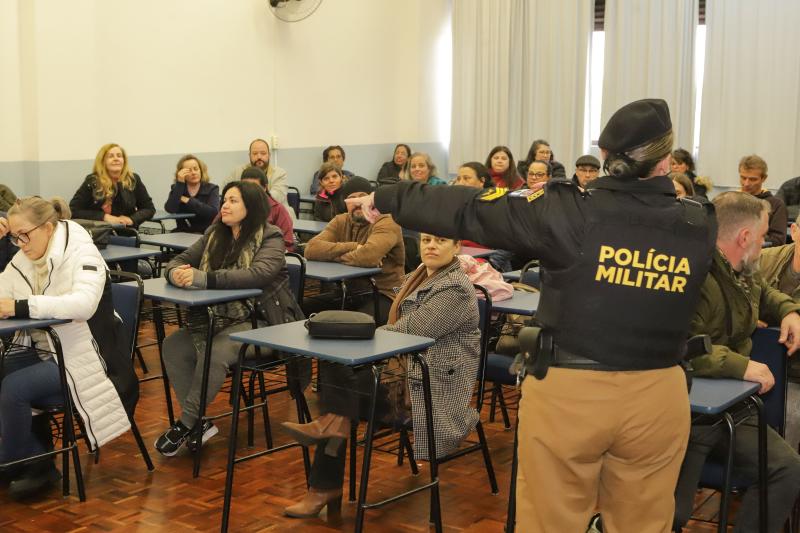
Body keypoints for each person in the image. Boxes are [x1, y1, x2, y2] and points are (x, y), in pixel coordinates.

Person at [348, 98, 718, 532]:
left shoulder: (568, 212)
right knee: (642, 523)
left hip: (572, 393)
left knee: (551, 520)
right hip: (660, 394)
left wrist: (388, 195)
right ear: (667, 161)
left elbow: (468, 209)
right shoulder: (699, 222)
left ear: (606, 158)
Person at [281, 232, 480, 520]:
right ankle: (327, 452)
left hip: (429, 391)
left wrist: (362, 335)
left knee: (340, 401)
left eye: (440, 241)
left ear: (457, 246)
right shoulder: (419, 275)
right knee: (335, 370)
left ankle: (323, 488)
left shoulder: (455, 289)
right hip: (402, 376)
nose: (431, 246)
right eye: (426, 240)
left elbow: (405, 333)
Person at [673, 191, 800, 532]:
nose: (764, 243)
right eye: (761, 237)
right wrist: (741, 366)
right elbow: (683, 347)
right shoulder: (691, 276)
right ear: (744, 238)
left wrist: (789, 311)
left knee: (786, 468)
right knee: (673, 513)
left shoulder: (743, 270)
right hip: (688, 411)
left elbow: (765, 292)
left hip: (733, 406)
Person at [154, 181, 305, 456]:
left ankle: (187, 423)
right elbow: (180, 260)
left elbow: (257, 275)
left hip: (267, 323)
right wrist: (174, 273)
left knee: (216, 350)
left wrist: (204, 278)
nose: (225, 205)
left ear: (252, 206)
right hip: (221, 318)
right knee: (174, 346)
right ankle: (199, 424)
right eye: (225, 199)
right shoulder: (215, 233)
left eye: (234, 201)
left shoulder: (270, 236)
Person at [0, 197, 132, 499]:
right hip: (49, 348)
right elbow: (4, 284)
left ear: (47, 228)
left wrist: (19, 306)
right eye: (13, 236)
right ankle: (37, 461)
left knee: (13, 388)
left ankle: (13, 458)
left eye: (24, 235)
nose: (18, 243)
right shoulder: (26, 254)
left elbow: (82, 305)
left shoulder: (82, 251)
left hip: (89, 355)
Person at [305, 176, 405, 315]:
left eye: (363, 197)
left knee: (351, 324)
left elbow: (368, 257)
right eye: (352, 198)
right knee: (303, 306)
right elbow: (311, 249)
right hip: (349, 292)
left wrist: (333, 255)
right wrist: (354, 247)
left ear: (372, 199)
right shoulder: (340, 220)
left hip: (384, 294)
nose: (358, 203)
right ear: (345, 203)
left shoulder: (386, 221)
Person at [69, 143, 155, 228]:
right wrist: (104, 217)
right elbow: (73, 210)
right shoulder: (92, 181)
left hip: (127, 231)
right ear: (102, 161)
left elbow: (149, 209)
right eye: (110, 156)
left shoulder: (133, 179)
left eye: (119, 156)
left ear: (124, 160)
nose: (116, 159)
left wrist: (131, 219)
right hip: (99, 233)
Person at [227, 138, 293, 218]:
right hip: (244, 216)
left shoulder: (280, 174)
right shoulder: (238, 172)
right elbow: (227, 193)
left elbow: (274, 198)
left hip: (275, 216)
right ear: (249, 156)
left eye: (263, 153)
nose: (259, 157)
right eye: (255, 153)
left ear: (269, 155)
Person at [239, 166, 295, 251]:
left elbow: (287, 243)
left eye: (254, 187)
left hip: (270, 254)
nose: (249, 191)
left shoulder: (278, 210)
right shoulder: (232, 207)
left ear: (264, 188)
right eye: (245, 186)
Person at [739, 154, 787, 246]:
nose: (746, 183)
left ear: (764, 178)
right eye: (743, 178)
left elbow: (778, 241)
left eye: (753, 179)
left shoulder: (776, 205)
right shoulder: (731, 201)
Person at [164, 154, 220, 234]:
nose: (193, 173)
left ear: (201, 170)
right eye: (188, 170)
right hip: (183, 232)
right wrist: (180, 183)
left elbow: (213, 212)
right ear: (181, 173)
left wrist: (188, 200)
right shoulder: (178, 188)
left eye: (196, 169)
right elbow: (170, 209)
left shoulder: (212, 188)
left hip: (205, 232)